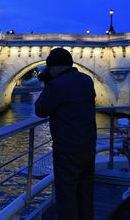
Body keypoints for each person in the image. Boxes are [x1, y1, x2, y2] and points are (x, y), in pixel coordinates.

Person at [35, 48, 97, 220]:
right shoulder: (87, 80)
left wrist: (48, 84)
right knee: (85, 192)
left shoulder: (56, 85)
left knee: (66, 194)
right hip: (89, 146)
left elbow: (40, 110)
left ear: (54, 67)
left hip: (67, 149)